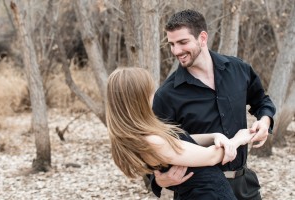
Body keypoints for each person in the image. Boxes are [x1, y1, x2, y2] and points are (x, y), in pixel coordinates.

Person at [150, 9, 276, 200]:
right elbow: (154, 149)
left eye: (183, 42)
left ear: (202, 38)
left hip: (246, 187)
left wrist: (265, 121)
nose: (176, 51)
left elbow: (261, 101)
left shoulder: (238, 69)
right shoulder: (166, 95)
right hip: (199, 193)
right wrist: (160, 180)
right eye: (172, 44)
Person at [106, 67, 256, 200]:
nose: (154, 94)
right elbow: (211, 157)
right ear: (139, 99)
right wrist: (238, 140)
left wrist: (214, 136)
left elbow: (181, 141)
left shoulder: (145, 136)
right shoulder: (152, 142)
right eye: (150, 91)